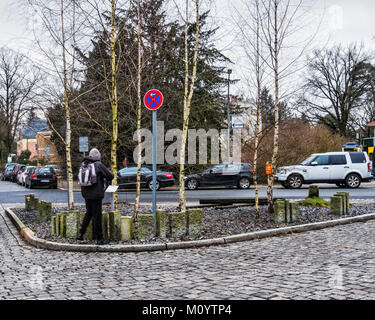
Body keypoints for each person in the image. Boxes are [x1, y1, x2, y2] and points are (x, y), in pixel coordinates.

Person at [77, 148, 114, 245]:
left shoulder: (84, 164)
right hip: (96, 194)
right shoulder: (98, 165)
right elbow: (109, 176)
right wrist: (111, 173)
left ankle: (80, 233)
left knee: (88, 213)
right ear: (98, 157)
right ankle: (100, 238)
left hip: (86, 194)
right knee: (97, 216)